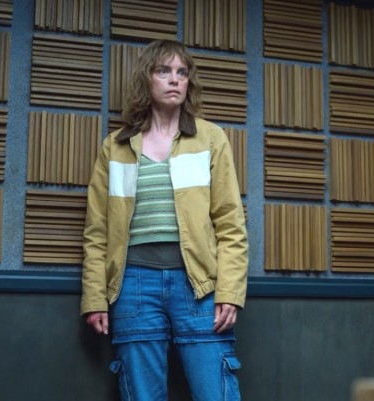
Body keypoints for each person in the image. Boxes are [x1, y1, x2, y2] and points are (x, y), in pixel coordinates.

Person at [80, 39, 248, 401]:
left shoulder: (210, 138)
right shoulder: (116, 146)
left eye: (182, 73)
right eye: (164, 71)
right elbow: (97, 232)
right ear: (147, 79)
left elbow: (231, 225)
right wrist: (94, 297)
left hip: (199, 286)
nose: (174, 79)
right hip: (132, 286)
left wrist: (230, 292)